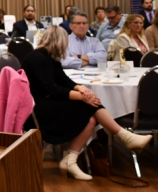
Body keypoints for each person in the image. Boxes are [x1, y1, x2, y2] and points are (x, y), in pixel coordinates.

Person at [22, 26, 152, 181]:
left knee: (91, 118)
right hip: (38, 108)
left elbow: (63, 80)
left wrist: (82, 89)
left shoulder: (49, 56)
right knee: (89, 105)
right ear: (60, 41)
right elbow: (51, 88)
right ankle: (125, 136)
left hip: (48, 101)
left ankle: (70, 161)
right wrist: (82, 97)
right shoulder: (38, 57)